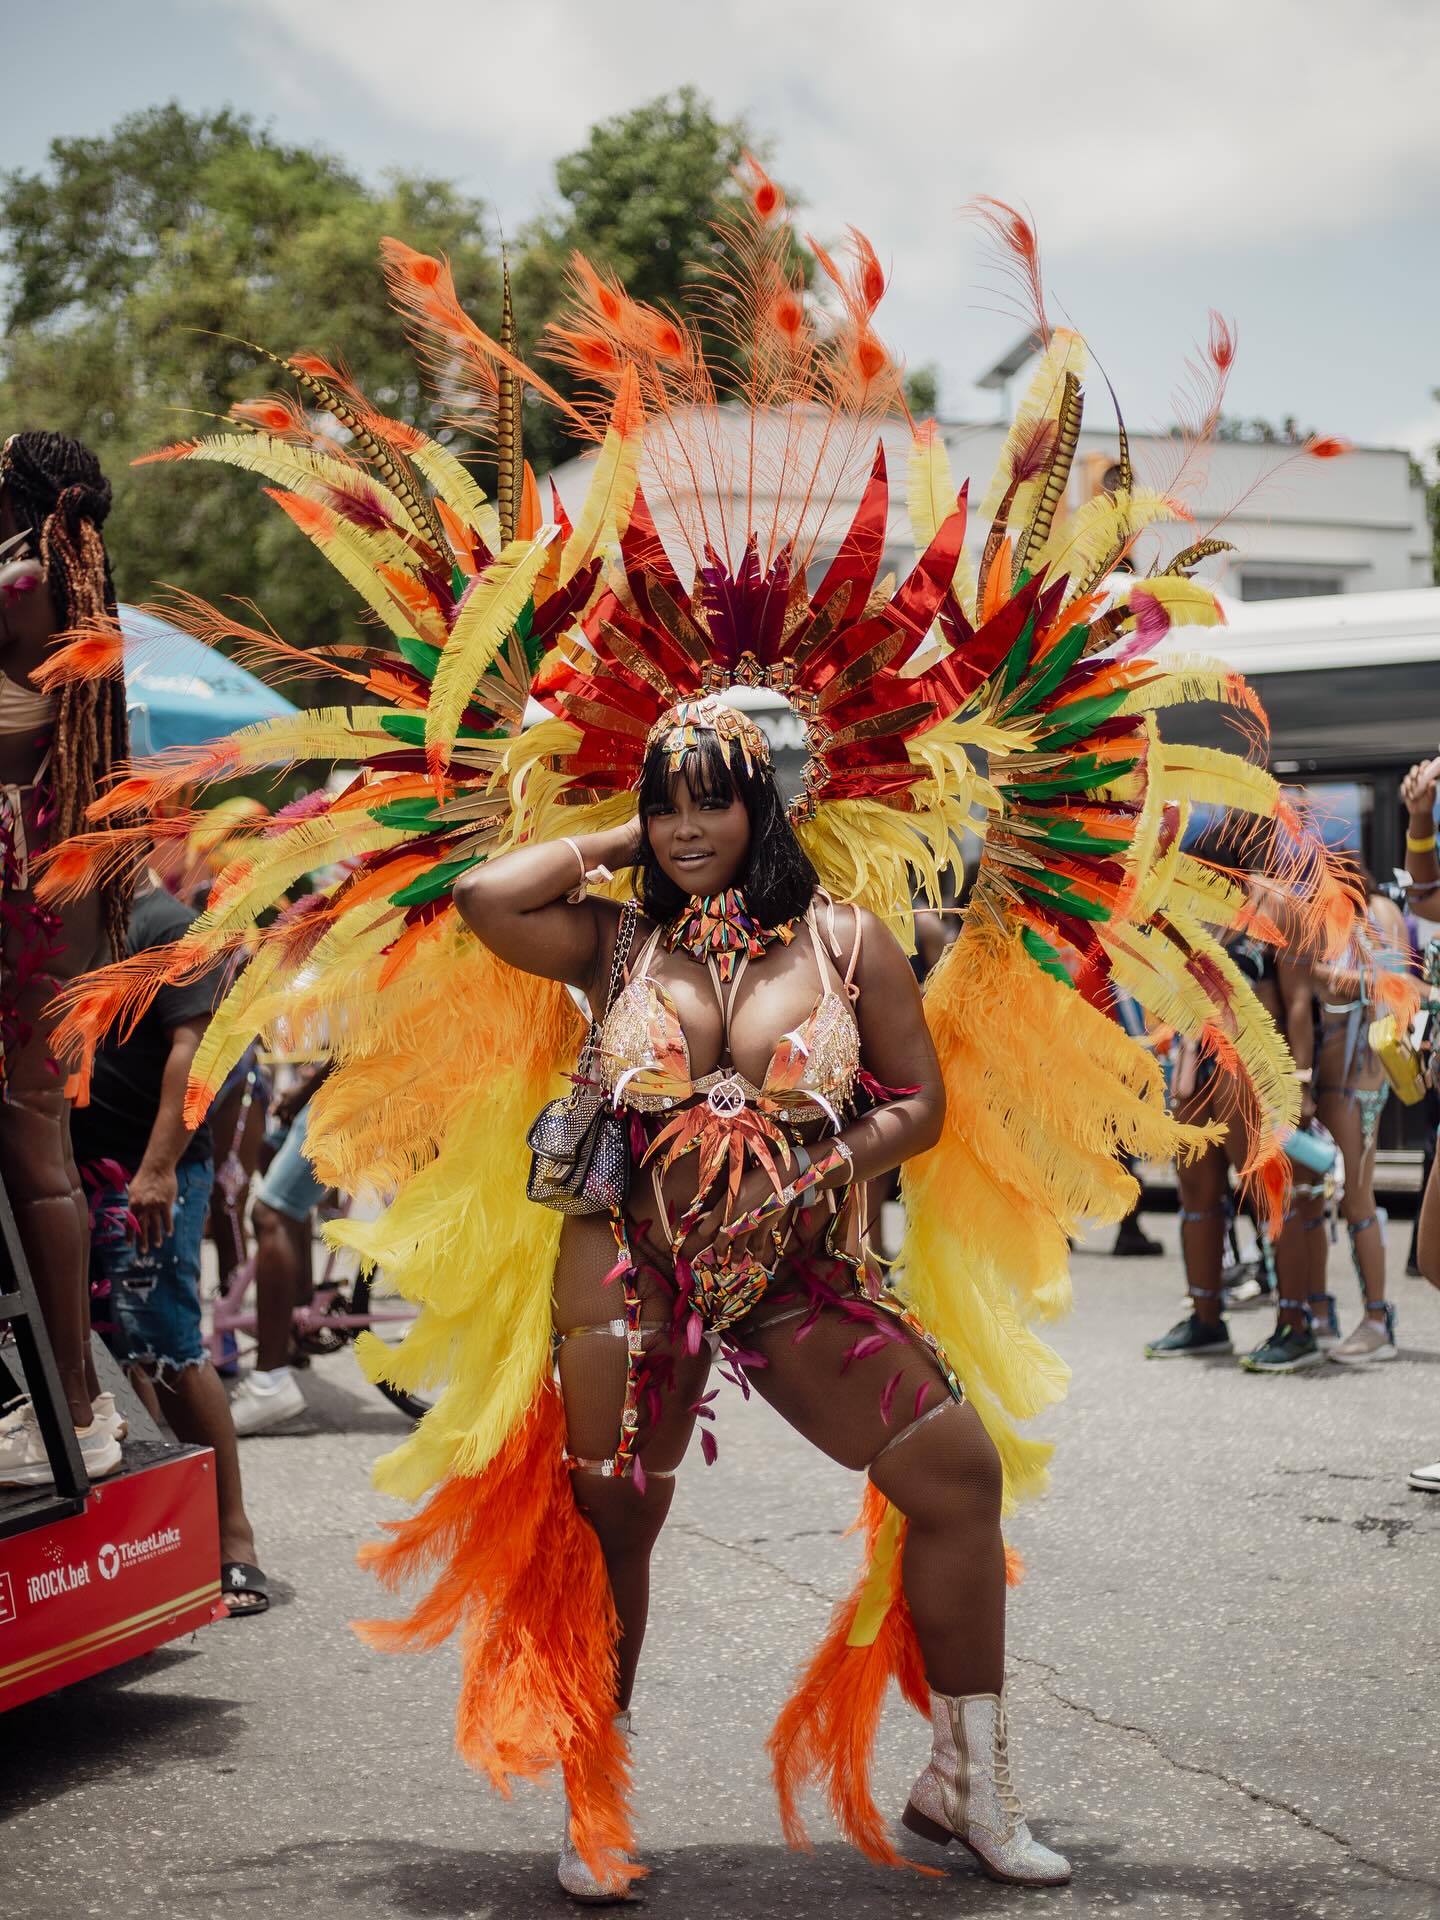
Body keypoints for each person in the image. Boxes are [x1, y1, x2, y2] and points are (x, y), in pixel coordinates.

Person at [57, 188, 1356, 1898]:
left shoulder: (848, 937)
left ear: (768, 811)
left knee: (955, 1477)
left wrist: (832, 1154)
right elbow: (470, 894)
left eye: (708, 807)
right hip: (629, 1274)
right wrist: (614, 830)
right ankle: (601, 1797)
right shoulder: (607, 934)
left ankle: (974, 1782)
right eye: (663, 809)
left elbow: (922, 1099)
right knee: (620, 1526)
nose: (681, 833)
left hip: (799, 1273)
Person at [71, 872, 269, 1614]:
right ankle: (157, 1545)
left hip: (151, 1179)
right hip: (80, 1183)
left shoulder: (171, 926)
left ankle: (233, 1540)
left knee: (170, 1347)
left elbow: (197, 1054)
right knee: (119, 1355)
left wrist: (156, 1171)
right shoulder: (79, 929)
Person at [0, 431, 133, 1484]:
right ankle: (76, 1405)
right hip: (57, 877)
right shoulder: (78, 587)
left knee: (35, 1158)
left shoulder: (22, 578)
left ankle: (73, 1404)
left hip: (21, 887)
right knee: (41, 1149)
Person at [1310, 866, 1410, 1363]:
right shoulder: (1329, 915)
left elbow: (1390, 984)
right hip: (1333, 1080)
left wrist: (1316, 974)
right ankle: (1318, 1311)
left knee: (1357, 1198)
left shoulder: (1377, 913)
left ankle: (1376, 1320)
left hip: (1360, 1080)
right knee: (1319, 1196)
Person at [228, 1059, 331, 1435]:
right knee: (268, 1151)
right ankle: (293, 1315)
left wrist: (305, 1091)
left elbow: (373, 1034)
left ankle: (269, 1380)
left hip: (368, 1088)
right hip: (359, 1082)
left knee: (269, 1213)